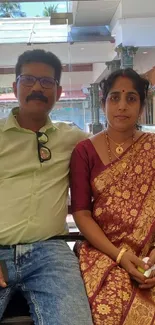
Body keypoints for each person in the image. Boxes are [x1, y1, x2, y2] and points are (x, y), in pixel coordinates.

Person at [0, 49, 93, 325]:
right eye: (28, 80)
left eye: (47, 82)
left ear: (59, 91)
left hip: (50, 253)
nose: (37, 88)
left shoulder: (74, 138)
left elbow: (113, 154)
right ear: (15, 86)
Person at [70, 68, 155, 324]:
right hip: (102, 251)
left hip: (149, 251)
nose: (122, 106)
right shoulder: (84, 151)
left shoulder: (152, 147)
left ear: (140, 106)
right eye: (115, 97)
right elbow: (82, 213)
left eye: (131, 98)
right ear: (103, 101)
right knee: (108, 306)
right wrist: (118, 256)